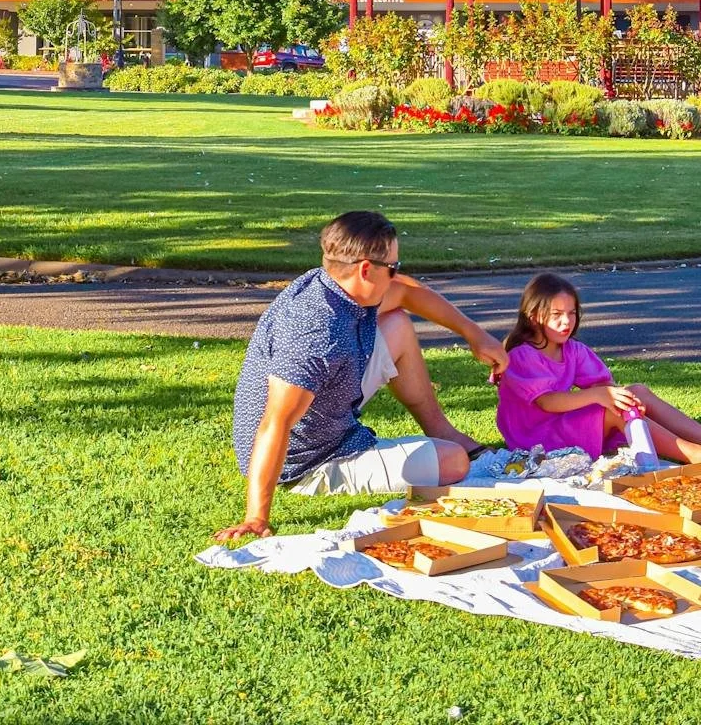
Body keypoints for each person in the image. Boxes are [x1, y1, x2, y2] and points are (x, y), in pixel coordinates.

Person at [214, 209, 510, 544]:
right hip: (307, 462)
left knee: (397, 324)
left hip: (327, 415)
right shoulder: (317, 333)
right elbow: (275, 422)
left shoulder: (335, 288)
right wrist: (256, 517)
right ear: (366, 270)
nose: (398, 274)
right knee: (453, 462)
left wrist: (474, 334)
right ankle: (436, 444)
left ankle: (440, 428)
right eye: (394, 267)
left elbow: (409, 293)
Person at [496, 272, 701, 464]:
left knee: (636, 392)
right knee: (609, 410)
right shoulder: (522, 355)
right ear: (533, 317)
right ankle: (698, 455)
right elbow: (548, 402)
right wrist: (602, 397)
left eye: (572, 313)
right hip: (536, 439)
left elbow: (602, 386)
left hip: (562, 426)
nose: (566, 321)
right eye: (556, 315)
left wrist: (624, 399)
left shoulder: (572, 349)